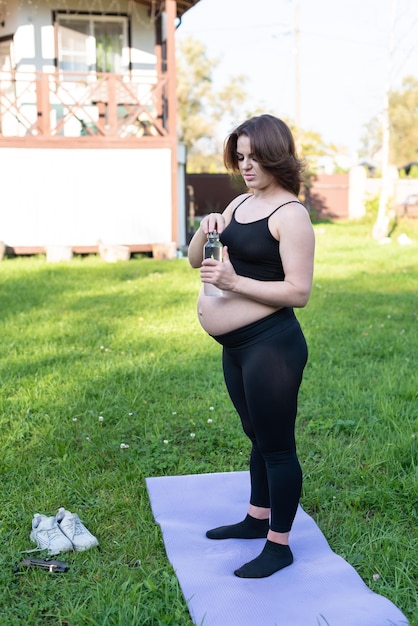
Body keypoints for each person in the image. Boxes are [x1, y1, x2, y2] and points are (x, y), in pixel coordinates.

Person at [188, 114, 315, 579]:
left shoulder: (292, 215)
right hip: (236, 347)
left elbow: (299, 291)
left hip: (272, 347)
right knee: (257, 437)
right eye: (239, 157)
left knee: (277, 446)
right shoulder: (240, 202)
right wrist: (206, 228)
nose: (245, 165)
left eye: (254, 157)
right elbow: (194, 261)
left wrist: (234, 280)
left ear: (276, 156)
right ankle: (255, 518)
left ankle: (279, 546)